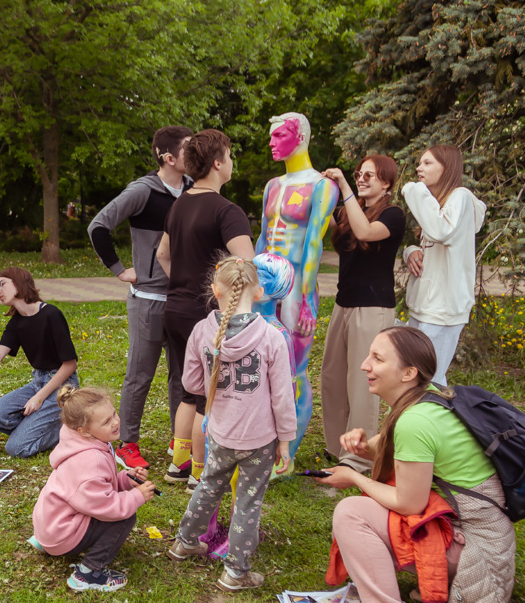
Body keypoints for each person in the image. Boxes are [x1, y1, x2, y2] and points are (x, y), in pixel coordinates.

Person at [319, 326, 516, 603]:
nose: (365, 365)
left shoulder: (415, 422)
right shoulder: (428, 400)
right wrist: (360, 445)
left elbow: (410, 503)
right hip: (484, 538)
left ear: (409, 373)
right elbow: (380, 452)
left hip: (475, 549)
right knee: (366, 506)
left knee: (352, 513)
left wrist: (353, 477)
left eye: (377, 359)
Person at [166, 255, 296, 592]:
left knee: (208, 486)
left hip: (219, 433)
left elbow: (192, 385)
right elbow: (283, 397)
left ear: (215, 291)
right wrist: (286, 439)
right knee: (248, 502)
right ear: (259, 293)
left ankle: (184, 542)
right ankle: (236, 573)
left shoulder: (201, 331)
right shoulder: (272, 337)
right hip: (259, 439)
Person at [87, 125, 192, 470]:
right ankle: (126, 443)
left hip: (183, 301)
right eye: (189, 149)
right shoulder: (143, 191)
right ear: (169, 157)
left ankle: (182, 444)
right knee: (139, 375)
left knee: (183, 376)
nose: (196, 155)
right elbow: (98, 226)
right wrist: (120, 269)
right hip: (147, 301)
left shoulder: (194, 191)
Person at [156, 129, 255, 489]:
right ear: (217, 163)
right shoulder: (227, 211)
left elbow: (162, 255)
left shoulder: (179, 203)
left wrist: (183, 281)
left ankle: (178, 463)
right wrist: (218, 296)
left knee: (188, 388)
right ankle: (199, 472)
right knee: (207, 396)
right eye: (229, 156)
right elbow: (246, 265)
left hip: (176, 310)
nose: (232, 162)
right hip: (209, 316)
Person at [257, 112, 339, 460]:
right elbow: (263, 236)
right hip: (265, 282)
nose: (272, 143)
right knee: (260, 361)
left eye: (279, 136)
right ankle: (261, 442)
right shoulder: (272, 186)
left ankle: (286, 452)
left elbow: (314, 244)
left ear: (301, 137)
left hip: (296, 288)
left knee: (294, 368)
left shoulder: (323, 186)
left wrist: (305, 297)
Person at [319, 155, 406, 473]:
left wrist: (343, 187)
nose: (361, 178)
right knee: (332, 377)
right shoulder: (346, 211)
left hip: (373, 308)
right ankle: (336, 447)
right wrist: (319, 190)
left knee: (362, 383)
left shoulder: (394, 215)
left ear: (386, 183)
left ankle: (357, 458)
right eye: (359, 174)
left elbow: (366, 232)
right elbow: (322, 221)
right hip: (343, 304)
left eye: (370, 175)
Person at [29, 386, 156, 592]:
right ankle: (88, 573)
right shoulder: (91, 459)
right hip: (61, 535)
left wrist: (125, 480)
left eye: (114, 413)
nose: (115, 422)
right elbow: (107, 507)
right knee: (125, 516)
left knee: (120, 506)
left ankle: (47, 541)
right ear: (84, 430)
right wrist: (136, 497)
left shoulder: (77, 440)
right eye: (106, 421)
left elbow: (94, 486)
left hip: (50, 524)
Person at [401, 144, 487, 386]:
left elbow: (441, 231)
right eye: (419, 163)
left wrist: (414, 190)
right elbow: (435, 243)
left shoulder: (461, 197)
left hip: (443, 309)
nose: (419, 168)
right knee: (415, 379)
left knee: (429, 380)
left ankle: (431, 423)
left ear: (447, 168)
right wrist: (411, 251)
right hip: (425, 305)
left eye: (427, 163)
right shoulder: (439, 203)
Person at [0, 267, 79, 458]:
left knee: (15, 448)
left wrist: (39, 398)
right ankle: (40, 427)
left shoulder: (51, 315)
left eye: (2, 284)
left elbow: (70, 364)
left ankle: (66, 431)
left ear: (19, 283)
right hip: (38, 381)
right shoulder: (18, 321)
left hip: (63, 387)